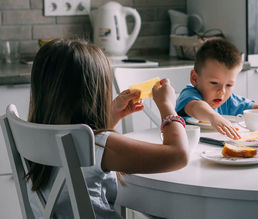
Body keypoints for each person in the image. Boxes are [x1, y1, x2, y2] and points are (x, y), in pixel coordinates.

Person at [27, 39, 189, 219]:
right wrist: (167, 106)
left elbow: (87, 159)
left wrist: (111, 117)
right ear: (97, 92)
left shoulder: (34, 136)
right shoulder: (97, 144)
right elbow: (178, 155)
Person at [176, 38, 258, 140]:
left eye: (229, 85)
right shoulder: (190, 94)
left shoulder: (229, 100)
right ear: (195, 78)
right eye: (214, 83)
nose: (222, 91)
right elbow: (196, 107)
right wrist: (214, 117)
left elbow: (255, 108)